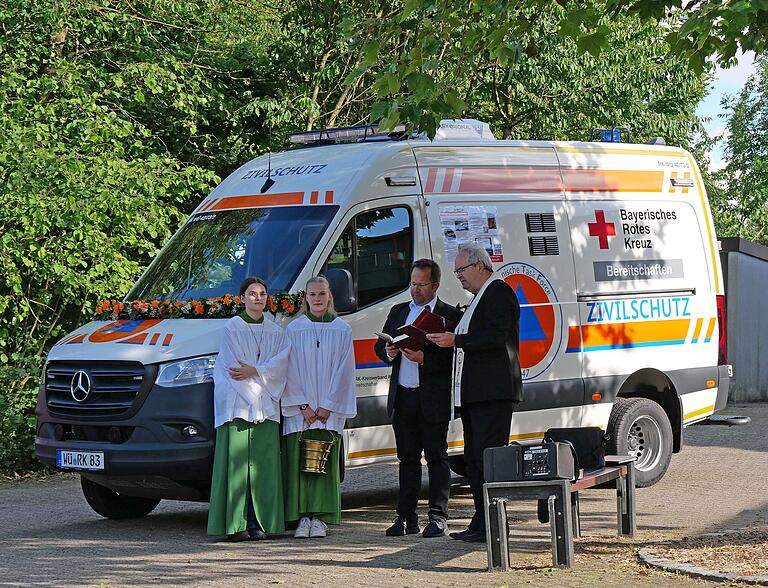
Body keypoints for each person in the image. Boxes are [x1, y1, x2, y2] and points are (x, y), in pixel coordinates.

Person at [427, 243, 522, 543]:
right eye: (455, 271)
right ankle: (481, 522)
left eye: (461, 270)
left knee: (488, 461)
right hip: (475, 395)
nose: (459, 276)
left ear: (480, 265)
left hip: (492, 393)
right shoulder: (479, 297)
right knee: (474, 462)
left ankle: (492, 525)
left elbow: (496, 336)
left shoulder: (499, 292)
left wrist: (457, 339)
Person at [374, 259, 462, 538]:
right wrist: (387, 350)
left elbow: (455, 358)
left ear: (435, 284)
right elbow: (381, 346)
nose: (416, 290)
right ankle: (406, 517)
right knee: (407, 459)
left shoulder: (449, 315)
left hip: (432, 397)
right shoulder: (399, 311)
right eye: (412, 284)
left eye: (421, 285)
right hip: (403, 396)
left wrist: (426, 358)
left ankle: (438, 517)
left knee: (436, 457)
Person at [207, 277, 292, 541]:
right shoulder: (232, 328)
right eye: (252, 294)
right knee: (238, 467)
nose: (258, 298)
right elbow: (233, 370)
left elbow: (280, 367)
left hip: (265, 409)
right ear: (242, 298)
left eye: (263, 294)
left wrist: (256, 371)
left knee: (262, 468)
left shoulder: (277, 332)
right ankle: (235, 525)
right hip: (239, 406)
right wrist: (257, 391)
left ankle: (260, 523)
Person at [282, 276, 357, 539]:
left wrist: (328, 406)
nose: (317, 299)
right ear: (305, 299)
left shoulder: (342, 329)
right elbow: (288, 370)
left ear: (330, 297)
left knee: (324, 464)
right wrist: (303, 405)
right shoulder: (294, 329)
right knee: (300, 463)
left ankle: (322, 518)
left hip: (327, 412)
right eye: (312, 295)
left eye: (322, 294)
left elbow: (345, 371)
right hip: (302, 411)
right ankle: (303, 517)